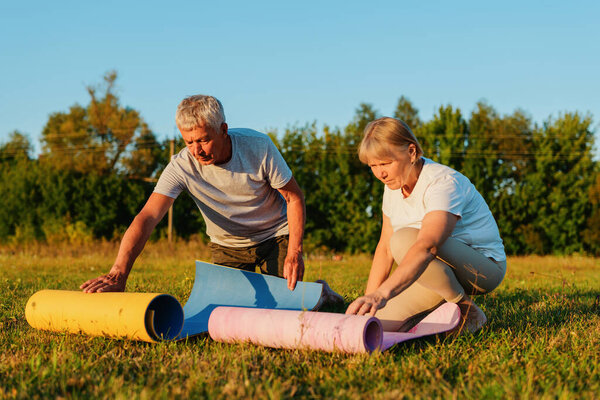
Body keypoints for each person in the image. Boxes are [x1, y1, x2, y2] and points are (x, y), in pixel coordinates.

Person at [81, 95, 308, 293]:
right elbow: (148, 216)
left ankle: (321, 292)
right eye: (189, 142)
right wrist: (119, 273)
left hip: (274, 235)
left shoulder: (258, 147)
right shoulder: (181, 166)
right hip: (227, 245)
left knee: (284, 303)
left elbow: (293, 197)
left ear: (223, 130)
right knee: (230, 308)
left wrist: (294, 252)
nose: (196, 151)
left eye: (203, 140)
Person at [345, 117, 506, 333]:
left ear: (411, 152)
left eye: (385, 163)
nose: (380, 174)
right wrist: (369, 300)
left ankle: (467, 310)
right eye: (373, 166)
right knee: (376, 326)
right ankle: (445, 307)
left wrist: (382, 294)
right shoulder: (392, 186)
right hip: (433, 271)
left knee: (402, 240)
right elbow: (384, 250)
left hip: (482, 269)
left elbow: (427, 245)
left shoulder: (443, 182)